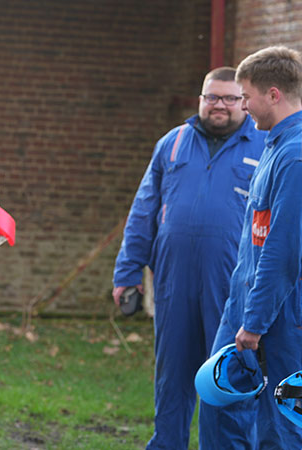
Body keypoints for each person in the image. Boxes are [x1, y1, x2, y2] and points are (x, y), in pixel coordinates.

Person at [112, 66, 266, 449]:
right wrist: (127, 271)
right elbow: (144, 209)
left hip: (232, 285)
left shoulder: (264, 146)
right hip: (173, 281)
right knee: (172, 377)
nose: (219, 105)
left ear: (244, 104)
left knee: (225, 377)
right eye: (211, 97)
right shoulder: (173, 143)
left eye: (230, 98)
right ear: (200, 99)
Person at [198, 46, 302, 449]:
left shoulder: (294, 159)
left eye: (246, 96)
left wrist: (255, 324)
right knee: (219, 408)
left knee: (280, 426)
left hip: (281, 321)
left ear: (273, 95)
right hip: (244, 307)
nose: (243, 106)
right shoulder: (274, 147)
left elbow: (283, 254)